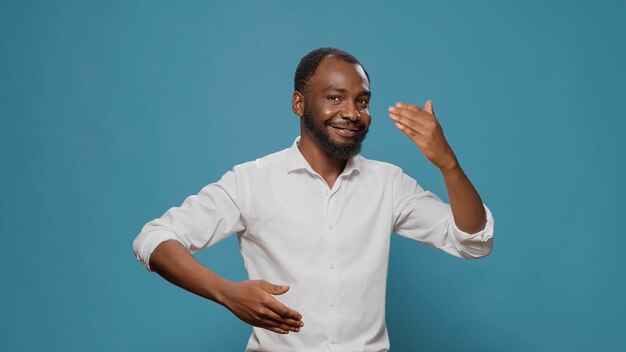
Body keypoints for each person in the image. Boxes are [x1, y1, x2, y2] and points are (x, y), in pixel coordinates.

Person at [132, 47, 495, 352]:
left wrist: (447, 163)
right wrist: (227, 294)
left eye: (362, 101)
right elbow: (154, 239)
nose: (352, 113)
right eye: (335, 97)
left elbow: (472, 241)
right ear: (299, 103)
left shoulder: (388, 183)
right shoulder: (252, 181)